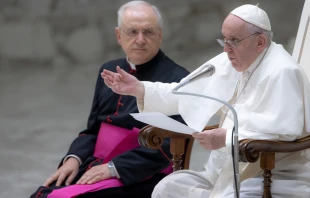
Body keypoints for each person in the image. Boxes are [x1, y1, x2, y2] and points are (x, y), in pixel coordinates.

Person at [101, 4, 310, 198]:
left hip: (269, 175)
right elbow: (185, 92)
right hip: (222, 173)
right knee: (166, 188)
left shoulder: (283, 72)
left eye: (233, 41)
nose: (226, 49)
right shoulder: (232, 60)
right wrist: (140, 88)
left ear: (260, 42)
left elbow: (285, 130)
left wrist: (226, 138)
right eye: (224, 39)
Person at [30, 1, 189, 198]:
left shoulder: (179, 79)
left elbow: (171, 145)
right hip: (98, 162)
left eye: (148, 32)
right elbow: (93, 129)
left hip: (143, 172)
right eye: (132, 31)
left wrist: (114, 168)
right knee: (43, 193)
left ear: (160, 35)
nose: (140, 40)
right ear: (118, 36)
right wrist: (74, 158)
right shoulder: (109, 70)